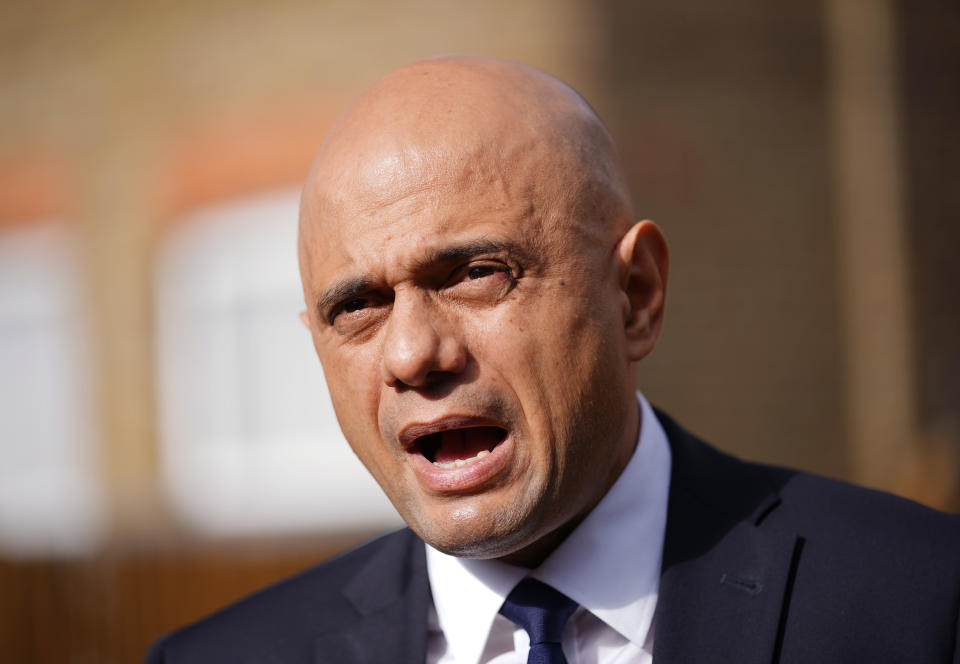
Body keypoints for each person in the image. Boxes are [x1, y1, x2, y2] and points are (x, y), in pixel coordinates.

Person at [145, 56, 960, 663]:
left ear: (635, 295)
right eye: (356, 306)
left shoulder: (918, 599)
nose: (411, 353)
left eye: (473, 275)